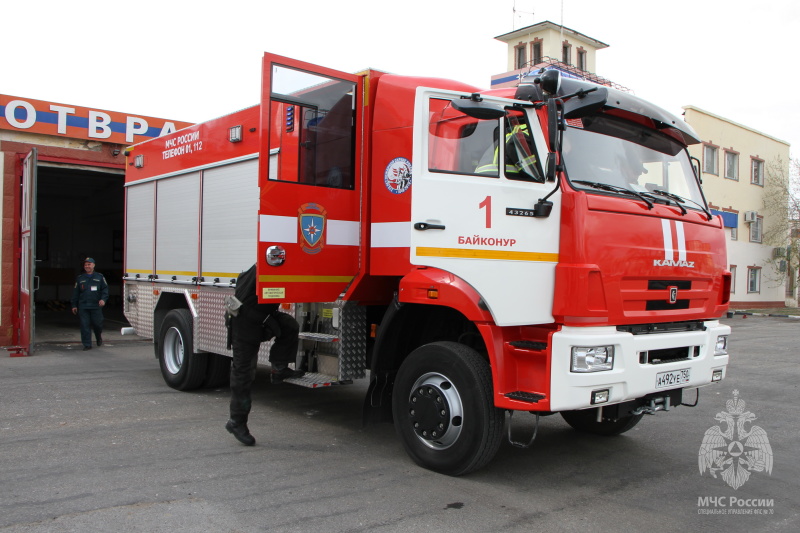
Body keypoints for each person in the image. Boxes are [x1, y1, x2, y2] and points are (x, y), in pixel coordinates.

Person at [225, 265, 303, 446]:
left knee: (289, 326)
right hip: (244, 325)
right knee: (243, 374)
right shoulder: (266, 266)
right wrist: (268, 321)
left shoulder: (269, 265)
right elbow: (244, 305)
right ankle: (236, 422)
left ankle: (279, 368)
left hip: (260, 317)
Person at [70, 257, 109, 351]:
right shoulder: (80, 278)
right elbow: (76, 293)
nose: (87, 266)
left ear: (93, 265)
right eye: (85, 265)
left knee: (97, 324)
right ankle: (87, 344)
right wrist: (74, 305)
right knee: (84, 325)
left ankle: (98, 337)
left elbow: (105, 290)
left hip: (96, 306)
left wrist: (103, 299)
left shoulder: (100, 277)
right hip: (83, 306)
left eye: (89, 264)